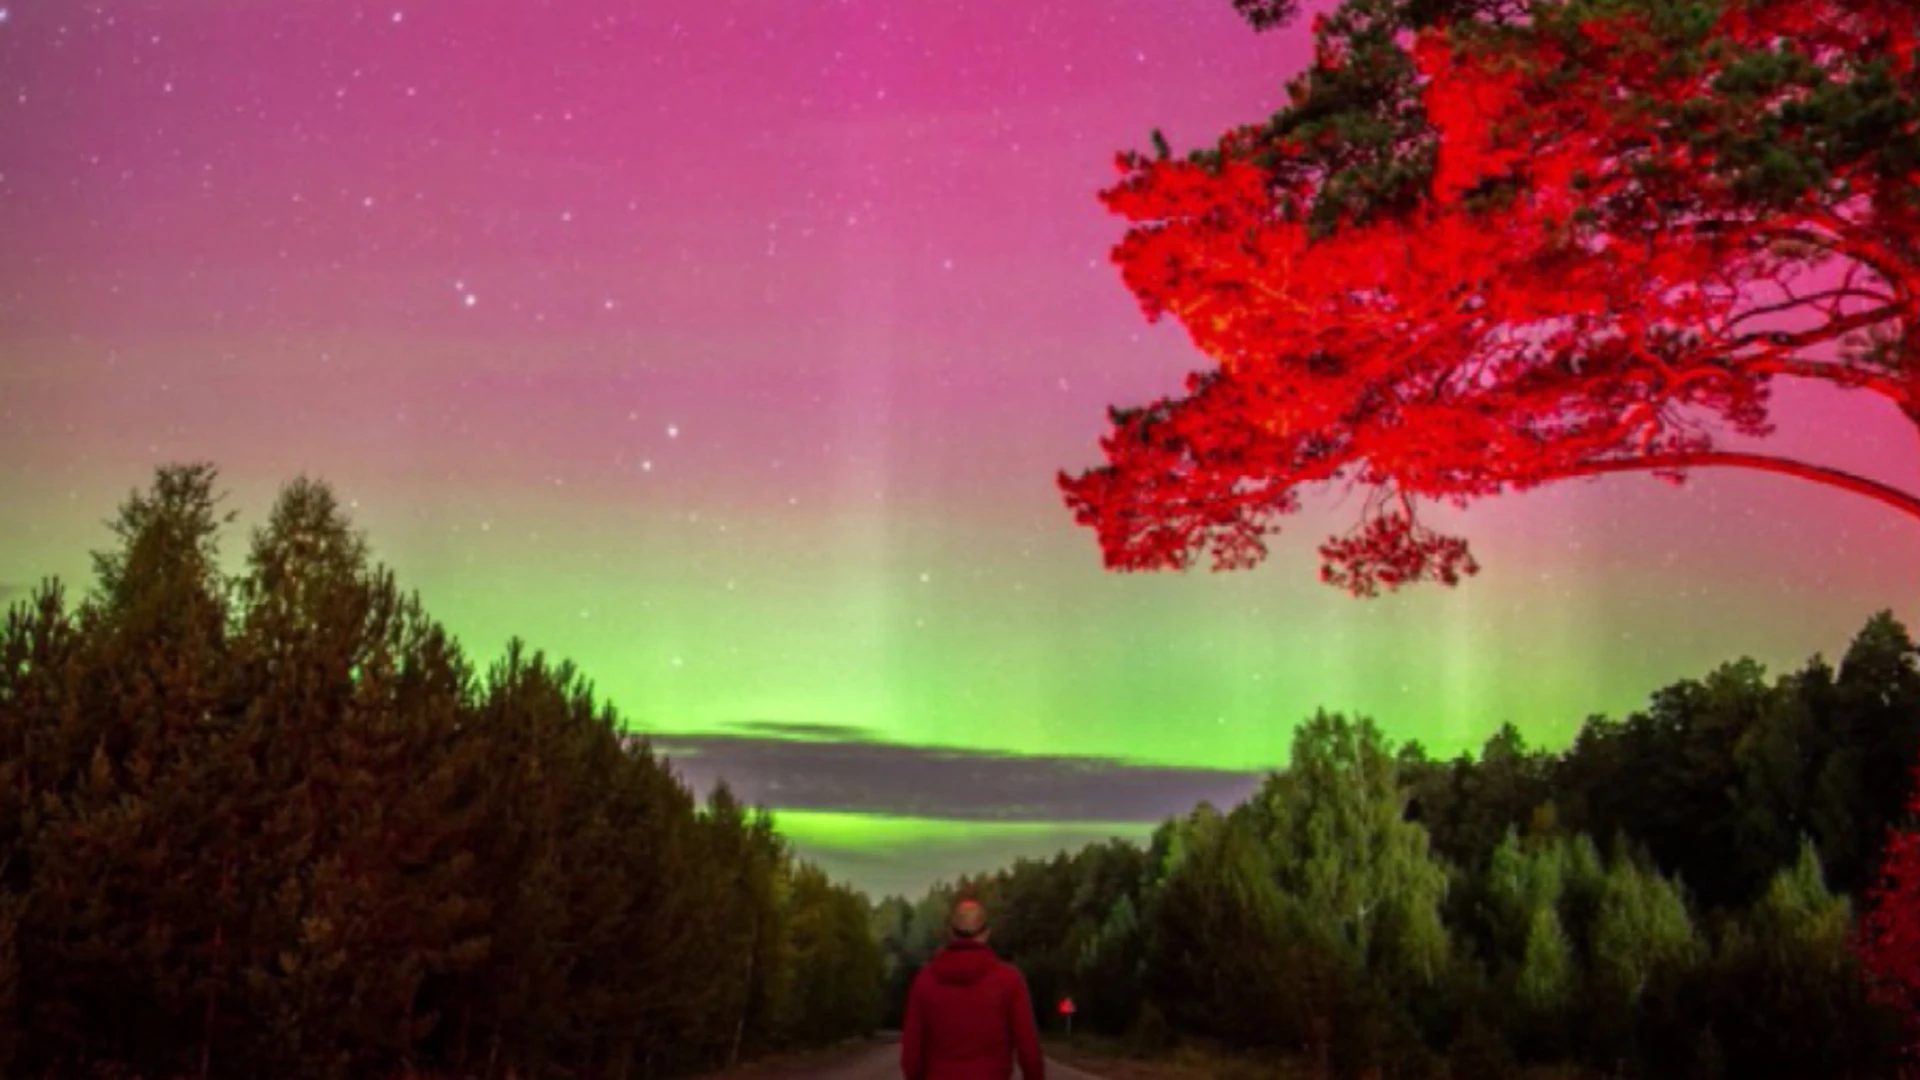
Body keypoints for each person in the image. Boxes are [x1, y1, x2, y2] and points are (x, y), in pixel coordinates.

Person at [900, 898, 1046, 1080]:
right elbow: (1028, 1051)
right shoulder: (1009, 980)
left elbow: (910, 1055)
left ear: (950, 933)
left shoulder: (925, 980)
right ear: (986, 933)